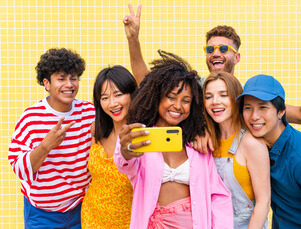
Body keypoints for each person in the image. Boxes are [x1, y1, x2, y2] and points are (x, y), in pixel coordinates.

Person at [122, 3, 301, 152]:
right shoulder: (193, 89)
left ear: (236, 57)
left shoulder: (248, 97)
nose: (215, 53)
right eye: (210, 49)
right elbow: (145, 82)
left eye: (223, 48)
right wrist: (133, 39)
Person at [113, 50, 233, 228]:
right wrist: (126, 150)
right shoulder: (141, 137)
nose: (178, 106)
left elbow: (218, 195)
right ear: (157, 97)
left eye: (186, 100)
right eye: (171, 97)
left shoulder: (196, 144)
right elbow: (125, 165)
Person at [237, 74, 301, 229]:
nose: (254, 117)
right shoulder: (255, 143)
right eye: (248, 108)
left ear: (281, 112)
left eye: (263, 107)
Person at [8, 48, 95, 228]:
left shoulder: (89, 112)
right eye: (61, 78)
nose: (69, 84)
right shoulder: (31, 118)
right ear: (46, 83)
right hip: (41, 213)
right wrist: (46, 146)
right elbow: (19, 168)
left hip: (81, 206)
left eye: (73, 78)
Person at [203, 71, 270, 228]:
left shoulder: (252, 144)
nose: (215, 102)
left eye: (223, 95)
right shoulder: (206, 140)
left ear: (236, 99)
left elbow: (263, 203)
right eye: (208, 97)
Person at [81, 66, 137, 228]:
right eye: (104, 97)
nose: (112, 103)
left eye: (118, 95)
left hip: (129, 223)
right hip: (91, 220)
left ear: (133, 94)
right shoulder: (96, 131)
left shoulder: (141, 136)